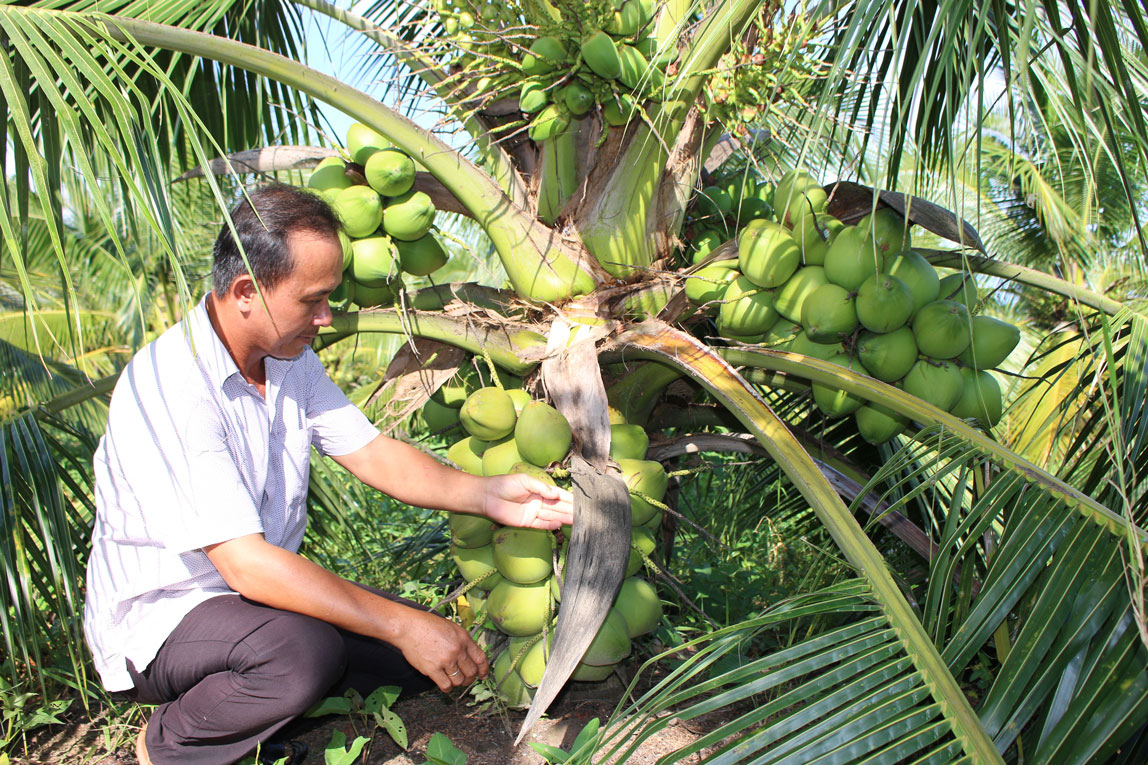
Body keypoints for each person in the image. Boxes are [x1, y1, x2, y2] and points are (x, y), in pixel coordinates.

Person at [83, 184, 574, 765]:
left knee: (415, 659)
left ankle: (257, 706)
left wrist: (490, 495)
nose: (326, 317)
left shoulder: (287, 357)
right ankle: (169, 744)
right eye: (312, 300)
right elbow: (246, 565)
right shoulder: (175, 387)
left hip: (254, 603)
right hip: (165, 618)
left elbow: (371, 452)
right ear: (245, 292)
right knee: (304, 656)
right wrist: (400, 624)